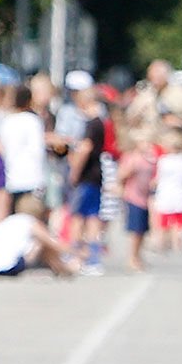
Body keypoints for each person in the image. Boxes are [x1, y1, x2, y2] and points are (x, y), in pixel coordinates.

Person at [66, 83, 107, 274]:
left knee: (78, 218)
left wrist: (74, 171)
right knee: (92, 217)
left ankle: (75, 256)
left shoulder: (92, 123)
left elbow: (85, 148)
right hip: (96, 175)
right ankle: (93, 258)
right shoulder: (100, 123)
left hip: (86, 176)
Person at [0, 83, 48, 218]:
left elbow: (3, 148)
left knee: (15, 218)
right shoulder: (33, 121)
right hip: (32, 177)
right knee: (32, 219)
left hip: (12, 178)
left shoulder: (7, 121)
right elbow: (38, 150)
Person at [0, 208, 78, 278]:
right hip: (10, 266)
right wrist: (78, 252)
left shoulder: (5, 223)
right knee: (40, 242)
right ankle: (64, 268)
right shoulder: (29, 221)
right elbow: (53, 243)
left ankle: (62, 268)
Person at [117, 126, 158, 272]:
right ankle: (132, 258)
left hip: (145, 198)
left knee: (142, 230)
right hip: (133, 196)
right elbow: (121, 175)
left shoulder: (150, 157)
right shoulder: (133, 158)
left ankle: (138, 256)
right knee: (135, 231)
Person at [152, 130, 182, 251]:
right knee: (179, 222)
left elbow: (157, 178)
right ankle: (177, 244)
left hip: (165, 193)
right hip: (180, 193)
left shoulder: (164, 160)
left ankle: (161, 243)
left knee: (164, 220)